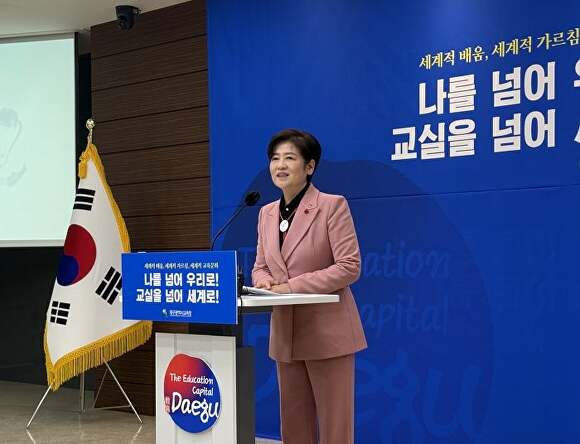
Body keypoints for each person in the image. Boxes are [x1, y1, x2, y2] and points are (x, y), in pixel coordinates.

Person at [252, 128, 367, 444]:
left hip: (327, 333)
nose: (280, 165)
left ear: (310, 166)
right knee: (293, 425)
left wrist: (290, 287)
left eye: (290, 158)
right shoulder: (266, 213)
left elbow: (349, 267)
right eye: (275, 158)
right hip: (286, 334)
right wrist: (264, 282)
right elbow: (260, 266)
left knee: (334, 428)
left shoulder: (332, 205)